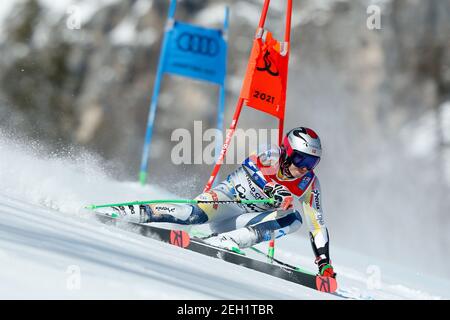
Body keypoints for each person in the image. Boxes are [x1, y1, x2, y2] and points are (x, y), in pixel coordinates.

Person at [103, 127, 335, 278]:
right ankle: (131, 211)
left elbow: (317, 225)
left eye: (312, 162)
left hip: (242, 222)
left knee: (293, 219)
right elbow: (253, 166)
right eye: (300, 158)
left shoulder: (309, 183)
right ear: (286, 151)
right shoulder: (271, 152)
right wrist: (273, 188)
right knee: (190, 215)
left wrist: (324, 263)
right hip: (225, 201)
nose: (304, 167)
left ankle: (226, 242)